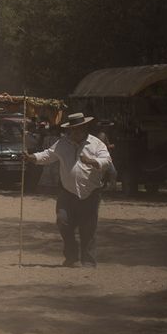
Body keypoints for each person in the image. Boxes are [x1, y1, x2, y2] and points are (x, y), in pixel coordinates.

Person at [23, 113, 113, 268]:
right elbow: (48, 155)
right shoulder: (62, 144)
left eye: (78, 129)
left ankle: (88, 261)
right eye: (72, 129)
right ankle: (71, 256)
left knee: (88, 228)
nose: (75, 132)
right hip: (67, 192)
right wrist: (32, 157)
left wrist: (92, 161)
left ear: (84, 128)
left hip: (90, 193)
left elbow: (107, 160)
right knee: (63, 221)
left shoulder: (96, 144)